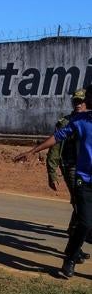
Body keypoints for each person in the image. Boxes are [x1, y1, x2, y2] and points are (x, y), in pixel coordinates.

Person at [14, 84, 92, 278]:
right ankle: (70, 258)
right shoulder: (79, 121)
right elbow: (57, 137)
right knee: (85, 223)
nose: (81, 103)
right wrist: (32, 151)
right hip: (85, 181)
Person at [46, 89, 90, 262]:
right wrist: (52, 173)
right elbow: (54, 148)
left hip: (86, 169)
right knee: (80, 205)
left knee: (81, 206)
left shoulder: (88, 120)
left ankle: (73, 242)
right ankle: (74, 249)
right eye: (75, 102)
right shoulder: (66, 121)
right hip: (71, 167)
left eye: (81, 101)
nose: (78, 104)